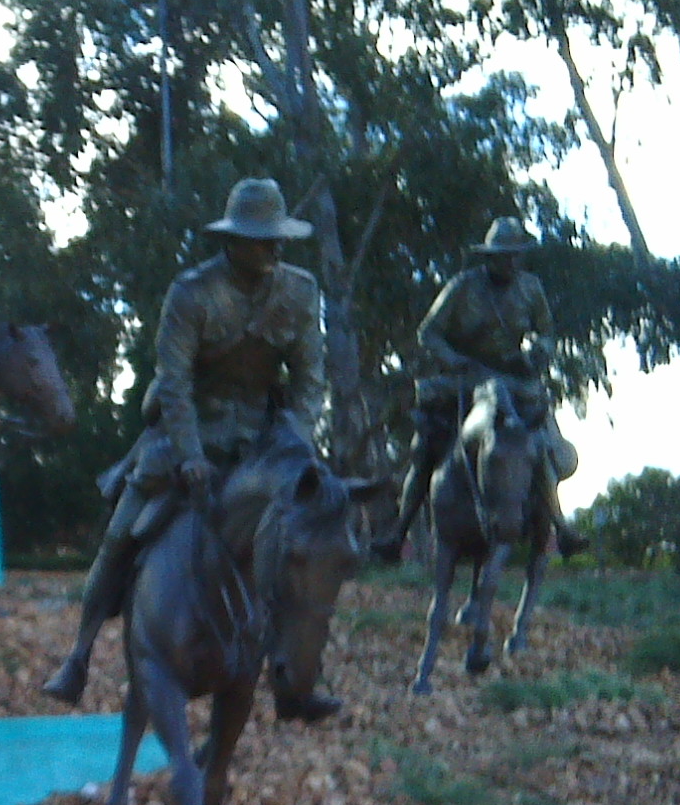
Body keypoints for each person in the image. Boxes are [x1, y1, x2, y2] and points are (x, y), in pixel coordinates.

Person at [41, 178, 331, 710]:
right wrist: (192, 453)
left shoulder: (300, 290)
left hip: (266, 439)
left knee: (312, 541)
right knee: (123, 531)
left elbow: (311, 377)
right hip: (190, 430)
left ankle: (301, 678)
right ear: (233, 241)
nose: (275, 248)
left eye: (278, 237)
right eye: (262, 238)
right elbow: (173, 383)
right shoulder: (192, 292)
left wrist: (300, 441)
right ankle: (78, 655)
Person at [373, 216, 583, 564]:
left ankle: (560, 525)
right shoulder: (463, 287)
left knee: (538, 440)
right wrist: (454, 360)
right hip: (465, 379)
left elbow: (547, 332)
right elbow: (429, 333)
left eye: (516, 255)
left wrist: (540, 350)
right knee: (425, 447)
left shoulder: (532, 288)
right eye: (503, 255)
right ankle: (398, 531)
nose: (510, 262)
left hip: (514, 380)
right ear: (488, 256)